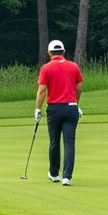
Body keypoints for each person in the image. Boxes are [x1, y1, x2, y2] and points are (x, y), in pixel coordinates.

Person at [34, 39, 84, 186]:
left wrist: (37, 109)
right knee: (69, 143)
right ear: (63, 52)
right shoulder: (73, 66)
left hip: (54, 109)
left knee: (54, 141)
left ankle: (54, 174)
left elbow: (42, 91)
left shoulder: (46, 68)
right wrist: (76, 104)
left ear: (50, 53)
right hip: (71, 108)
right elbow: (79, 88)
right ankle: (67, 177)